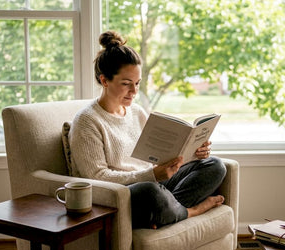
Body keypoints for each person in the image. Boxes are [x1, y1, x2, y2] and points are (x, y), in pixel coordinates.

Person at [68, 31, 226, 229]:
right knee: (151, 193)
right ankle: (190, 211)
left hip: (153, 181)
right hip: (126, 193)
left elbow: (155, 156)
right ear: (104, 80)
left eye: (137, 83)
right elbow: (97, 178)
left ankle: (166, 213)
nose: (134, 92)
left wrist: (192, 153)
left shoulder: (136, 111)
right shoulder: (87, 121)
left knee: (215, 166)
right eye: (126, 84)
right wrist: (151, 176)